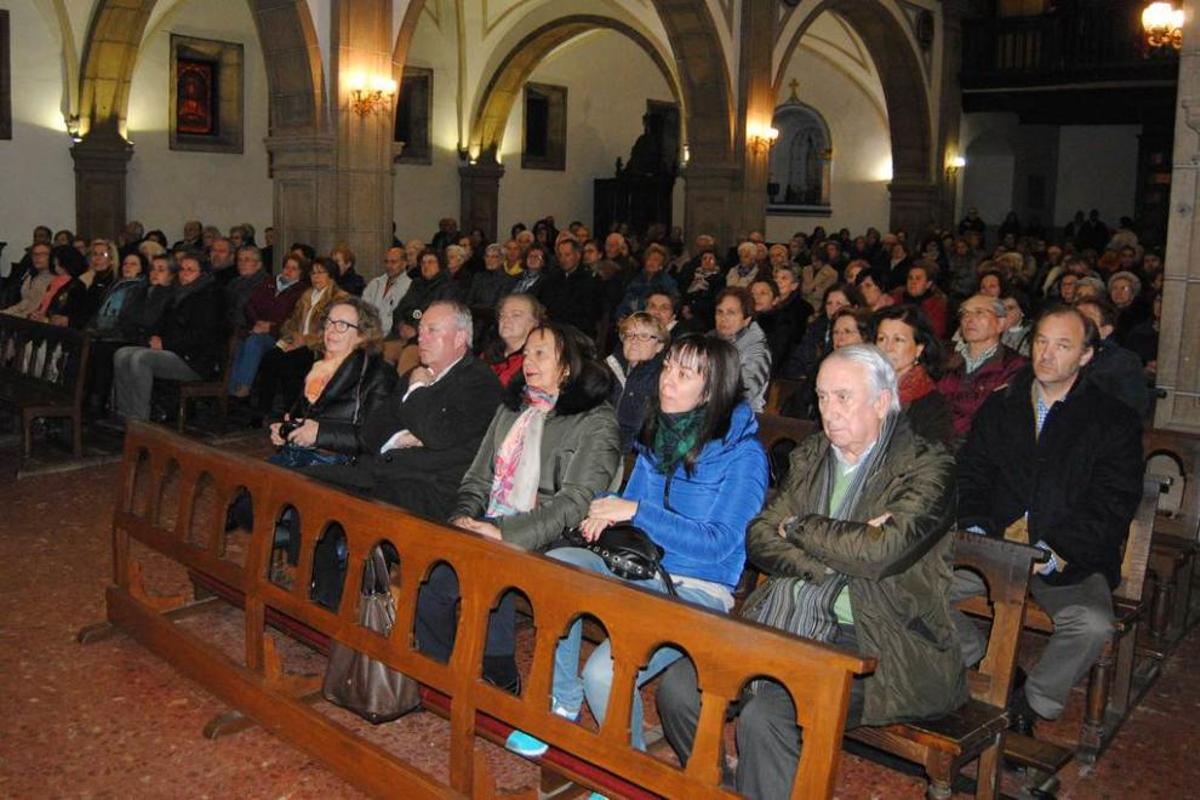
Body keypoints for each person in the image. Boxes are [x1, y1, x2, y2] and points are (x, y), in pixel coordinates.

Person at [657, 344, 965, 798]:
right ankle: (717, 784)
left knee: (768, 716)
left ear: (882, 402)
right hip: (784, 616)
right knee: (680, 688)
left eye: (843, 397)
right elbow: (760, 535)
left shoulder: (927, 465)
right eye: (822, 397)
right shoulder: (815, 454)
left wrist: (799, 526)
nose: (829, 411)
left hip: (876, 637)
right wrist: (830, 558)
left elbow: (881, 553)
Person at [507, 334, 767, 757]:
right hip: (641, 567)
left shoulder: (744, 455)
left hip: (698, 590)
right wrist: (604, 517)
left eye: (685, 374)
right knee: (559, 568)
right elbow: (632, 513)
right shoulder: (659, 429)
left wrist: (635, 510)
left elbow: (719, 546)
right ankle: (561, 703)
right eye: (668, 367)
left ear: (712, 388)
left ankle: (627, 771)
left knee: (604, 676)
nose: (667, 381)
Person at [954, 307, 1143, 735]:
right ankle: (988, 663)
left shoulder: (1111, 419)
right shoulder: (1002, 405)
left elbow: (1112, 503)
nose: (1048, 354)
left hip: (1066, 556)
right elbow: (972, 475)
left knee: (1091, 624)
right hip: (995, 547)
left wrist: (1057, 550)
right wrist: (978, 530)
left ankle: (1032, 700)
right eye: (1041, 342)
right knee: (910, 589)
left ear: (1086, 355)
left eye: (1063, 345)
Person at [418, 323, 621, 690]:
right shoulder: (513, 408)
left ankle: (499, 674)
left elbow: (576, 501)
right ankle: (438, 670)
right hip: (498, 516)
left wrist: (505, 532)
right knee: (439, 574)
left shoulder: (595, 420)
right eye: (526, 353)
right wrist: (463, 516)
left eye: (540, 353)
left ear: (568, 366)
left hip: (560, 533)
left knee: (494, 562)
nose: (527, 361)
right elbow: (479, 476)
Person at [268, 297, 397, 467]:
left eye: (342, 325)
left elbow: (375, 437)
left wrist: (320, 434)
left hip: (340, 465)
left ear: (362, 334)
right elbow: (302, 416)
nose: (331, 330)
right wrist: (287, 430)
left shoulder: (379, 374)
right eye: (329, 322)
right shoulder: (320, 367)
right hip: (302, 454)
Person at [111, 253, 224, 423]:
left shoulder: (209, 297)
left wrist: (166, 343)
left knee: (140, 359)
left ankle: (140, 419)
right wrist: (154, 336)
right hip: (172, 351)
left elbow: (202, 336)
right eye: (182, 269)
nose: (184, 273)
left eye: (190, 270)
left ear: (202, 274)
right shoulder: (177, 293)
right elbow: (162, 322)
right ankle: (126, 414)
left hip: (193, 359)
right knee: (122, 354)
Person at [254, 257, 348, 421]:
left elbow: (334, 331)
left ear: (331, 275)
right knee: (270, 358)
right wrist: (292, 336)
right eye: (312, 273)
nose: (316, 277)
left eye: (320, 273)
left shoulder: (339, 298)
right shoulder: (307, 295)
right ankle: (263, 410)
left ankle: (294, 414)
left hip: (318, 347)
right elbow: (291, 321)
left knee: (291, 363)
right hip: (296, 342)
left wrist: (305, 340)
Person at [937, 295, 1027, 440]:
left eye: (979, 312)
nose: (969, 319)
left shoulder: (1015, 366)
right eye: (965, 313)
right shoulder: (947, 360)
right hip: (938, 446)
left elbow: (993, 415)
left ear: (1000, 323)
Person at [227, 254, 307, 398]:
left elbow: (294, 317)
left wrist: (271, 327)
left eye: (294, 269)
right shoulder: (269, 283)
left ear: (301, 272)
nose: (288, 271)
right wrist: (257, 322)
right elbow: (251, 305)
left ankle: (243, 387)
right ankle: (230, 388)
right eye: (286, 267)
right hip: (257, 327)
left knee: (254, 342)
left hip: (280, 334)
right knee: (238, 341)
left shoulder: (301, 292)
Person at [874, 304, 954, 445]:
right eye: (881, 339)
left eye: (898, 340)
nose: (887, 348)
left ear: (918, 349)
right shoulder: (863, 388)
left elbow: (933, 457)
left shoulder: (932, 405)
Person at [1075, 297, 1152, 418]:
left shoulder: (1124, 362)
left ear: (1105, 330)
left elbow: (1132, 410)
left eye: (1087, 319)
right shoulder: (1057, 356)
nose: (1077, 324)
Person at [605, 312, 668, 451]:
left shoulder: (665, 379)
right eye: (629, 335)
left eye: (644, 336)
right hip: (600, 442)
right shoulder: (607, 368)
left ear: (659, 346)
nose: (634, 340)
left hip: (636, 453)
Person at [713, 287, 771, 412]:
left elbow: (746, 393)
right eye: (720, 312)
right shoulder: (709, 339)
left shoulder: (757, 350)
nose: (724, 318)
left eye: (731, 313)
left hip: (742, 416)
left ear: (746, 320)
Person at [538, 238, 600, 336]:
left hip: (575, 332)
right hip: (552, 327)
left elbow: (588, 315)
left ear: (578, 255)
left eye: (567, 255)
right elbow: (544, 301)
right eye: (560, 255)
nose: (563, 259)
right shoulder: (553, 277)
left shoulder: (589, 280)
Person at [482, 292, 545, 387]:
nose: (505, 319)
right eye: (502, 315)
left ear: (535, 322)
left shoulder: (538, 362)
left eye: (516, 315)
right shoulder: (488, 353)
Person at [891, 261, 948, 339]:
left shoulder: (936, 304)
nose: (913, 282)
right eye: (910, 278)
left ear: (928, 284)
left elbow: (935, 333)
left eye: (918, 278)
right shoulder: (896, 298)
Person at [362, 245, 410, 334]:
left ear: (404, 264)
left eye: (393, 262)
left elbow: (415, 314)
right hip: (369, 333)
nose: (389, 265)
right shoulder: (375, 283)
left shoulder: (410, 287)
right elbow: (363, 308)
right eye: (386, 262)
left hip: (393, 336)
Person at [2, 241, 54, 317]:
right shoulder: (30, 275)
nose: (37, 257)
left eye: (43, 254)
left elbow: (37, 308)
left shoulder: (54, 279)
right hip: (22, 317)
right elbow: (25, 302)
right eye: (35, 254)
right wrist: (5, 313)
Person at [465, 243, 515, 310]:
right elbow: (469, 301)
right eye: (487, 256)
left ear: (502, 260)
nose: (489, 260)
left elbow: (497, 307)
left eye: (494, 257)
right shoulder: (478, 276)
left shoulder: (508, 280)